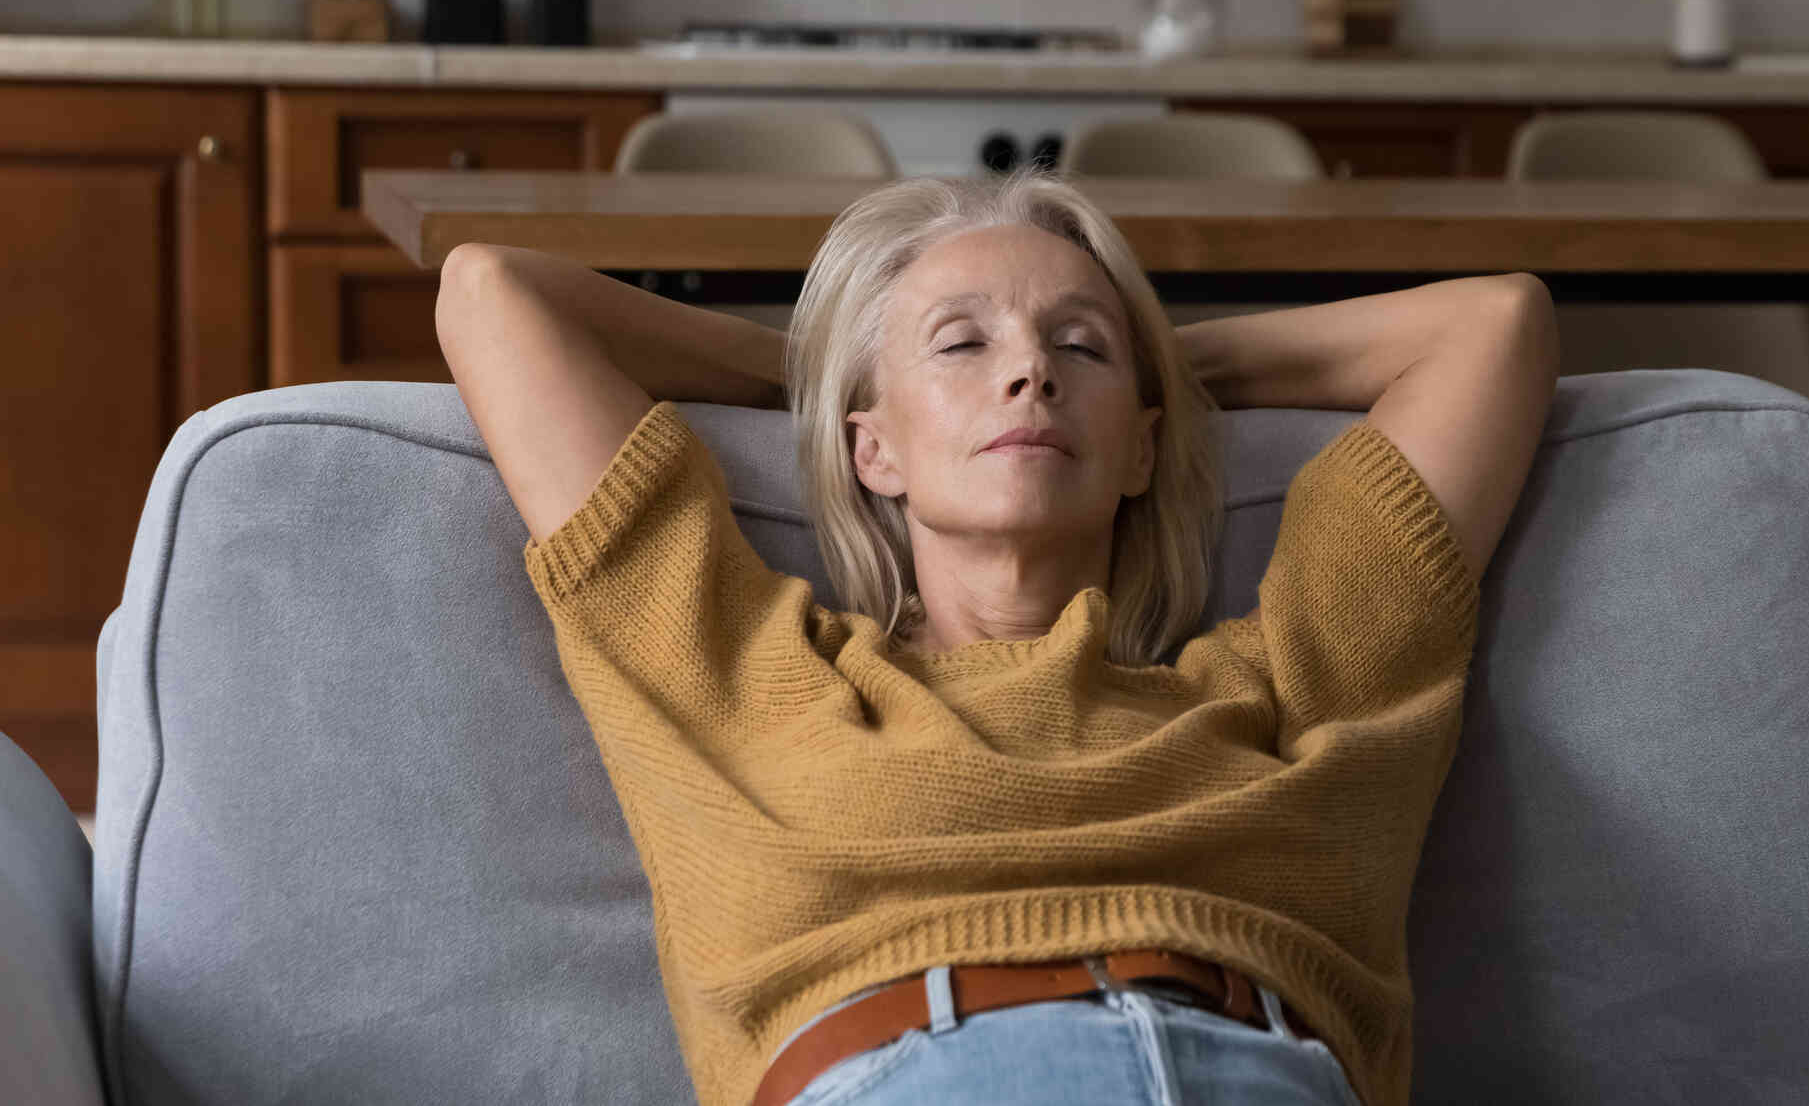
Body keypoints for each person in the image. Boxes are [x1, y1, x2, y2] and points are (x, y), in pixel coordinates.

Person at [435, 168, 1557, 1106]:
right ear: (869, 449)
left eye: (1078, 346)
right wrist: (827, 372)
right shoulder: (759, 682)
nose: (1032, 371)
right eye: (963, 344)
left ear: (1145, 452)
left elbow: (1495, 325)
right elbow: (490, 292)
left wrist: (1162, 366)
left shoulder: (1285, 692)